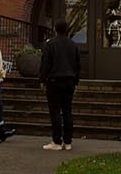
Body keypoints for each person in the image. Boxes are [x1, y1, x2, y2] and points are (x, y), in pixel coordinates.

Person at [39, 19, 80, 150]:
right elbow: (77, 65)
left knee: (55, 111)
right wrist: (76, 81)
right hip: (69, 81)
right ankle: (68, 142)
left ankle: (56, 141)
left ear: (55, 30)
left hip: (54, 81)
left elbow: (45, 63)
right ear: (67, 30)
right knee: (67, 111)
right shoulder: (73, 45)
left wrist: (42, 80)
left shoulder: (50, 44)